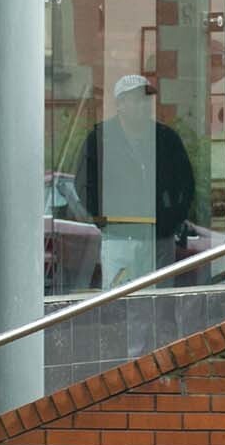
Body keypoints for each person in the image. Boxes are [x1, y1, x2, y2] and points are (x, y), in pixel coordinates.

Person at [72, 74, 196, 286]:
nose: (144, 105)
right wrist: (103, 220)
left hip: (159, 237)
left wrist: (171, 220)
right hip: (119, 237)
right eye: (137, 99)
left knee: (160, 303)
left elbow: (186, 184)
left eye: (146, 100)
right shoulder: (100, 137)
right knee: (120, 301)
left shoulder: (166, 138)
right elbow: (84, 183)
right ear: (120, 104)